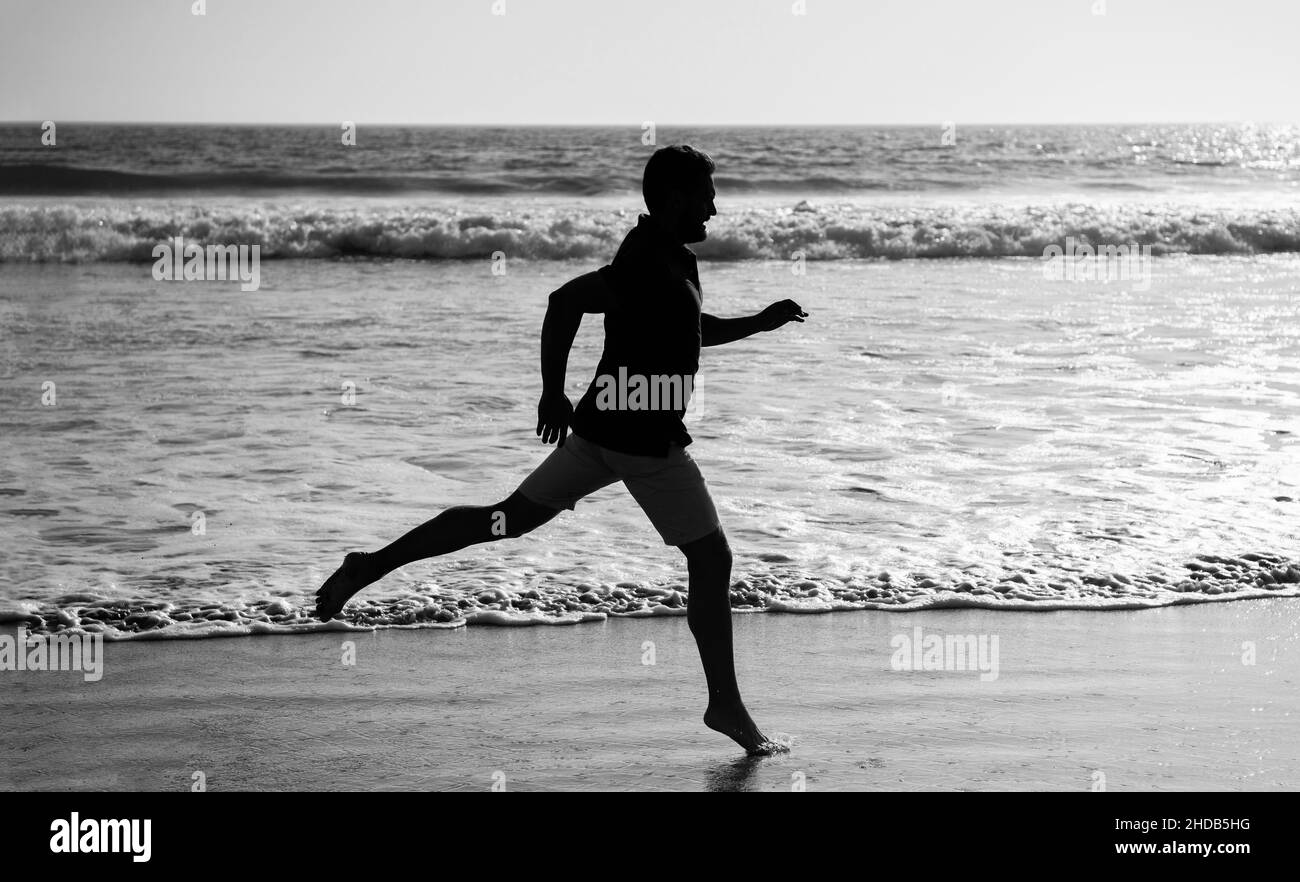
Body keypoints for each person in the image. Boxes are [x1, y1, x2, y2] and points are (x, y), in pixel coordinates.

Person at [316, 144, 807, 755]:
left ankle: (370, 565)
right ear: (676, 198)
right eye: (706, 193)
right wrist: (551, 393)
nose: (714, 204)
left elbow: (686, 331)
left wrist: (757, 323)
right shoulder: (647, 261)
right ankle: (724, 705)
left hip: (602, 435)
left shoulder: (672, 258)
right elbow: (564, 301)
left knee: (504, 520)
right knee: (712, 562)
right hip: (643, 442)